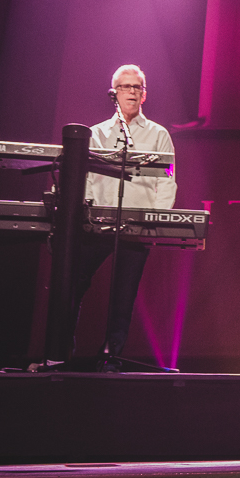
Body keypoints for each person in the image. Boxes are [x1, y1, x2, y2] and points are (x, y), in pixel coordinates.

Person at [72, 63, 177, 369]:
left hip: (137, 228)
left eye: (137, 88)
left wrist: (154, 223)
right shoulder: (96, 134)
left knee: (124, 295)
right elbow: (85, 182)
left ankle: (110, 356)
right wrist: (86, 215)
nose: (131, 92)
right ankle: (60, 351)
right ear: (113, 94)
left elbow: (166, 183)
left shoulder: (159, 135)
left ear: (144, 95)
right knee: (73, 283)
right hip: (97, 226)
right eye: (125, 87)